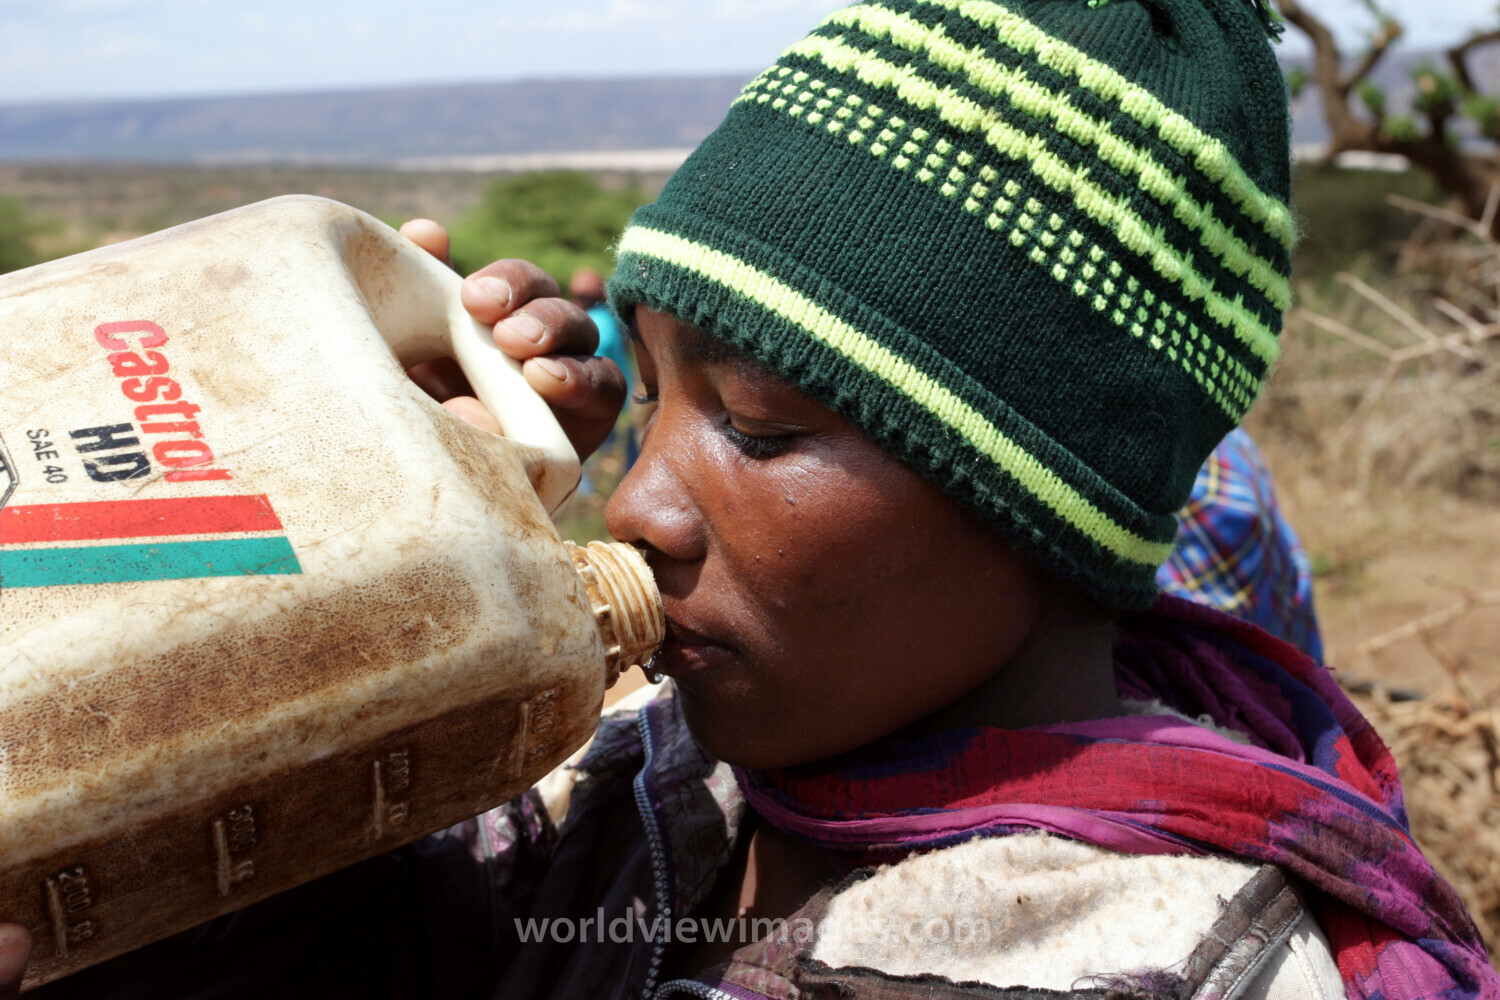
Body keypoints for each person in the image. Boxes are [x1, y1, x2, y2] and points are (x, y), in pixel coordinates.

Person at [5, 1, 1496, 997]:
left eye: (764, 428)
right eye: (648, 401)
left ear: (1044, 508)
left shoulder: (1134, 956)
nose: (640, 504)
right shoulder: (668, 779)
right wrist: (344, 546)